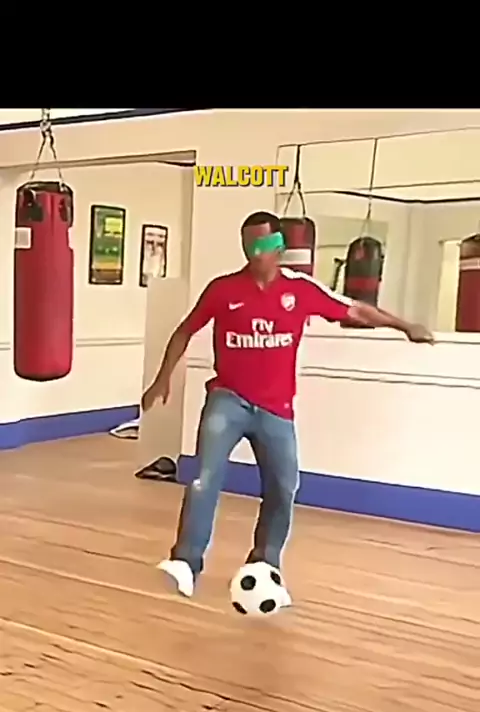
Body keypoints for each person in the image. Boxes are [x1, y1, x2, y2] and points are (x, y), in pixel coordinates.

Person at [142, 211, 434, 600]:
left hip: (276, 409)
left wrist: (405, 325)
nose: (254, 253)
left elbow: (355, 310)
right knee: (204, 479)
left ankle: (265, 563)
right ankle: (184, 562)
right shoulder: (223, 290)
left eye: (262, 244)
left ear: (279, 246)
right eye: (248, 244)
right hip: (227, 400)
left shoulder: (301, 290)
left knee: (284, 486)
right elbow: (184, 331)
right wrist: (162, 378)